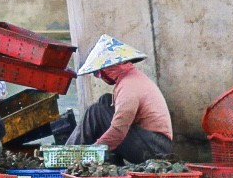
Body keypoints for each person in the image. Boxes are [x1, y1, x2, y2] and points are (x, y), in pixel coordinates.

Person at [66, 34, 173, 163]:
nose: (100, 77)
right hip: (151, 142)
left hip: (155, 148)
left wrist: (93, 151)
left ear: (109, 68)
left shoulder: (129, 86)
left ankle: (68, 156)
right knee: (105, 101)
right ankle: (107, 162)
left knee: (96, 112)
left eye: (99, 73)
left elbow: (119, 130)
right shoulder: (131, 78)